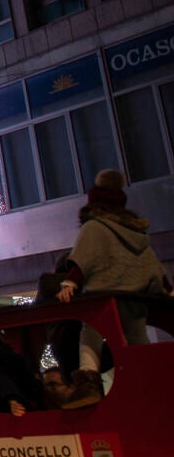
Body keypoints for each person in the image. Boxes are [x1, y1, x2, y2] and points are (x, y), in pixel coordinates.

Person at [56, 169, 173, 407]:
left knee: (90, 334)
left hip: (104, 297)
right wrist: (167, 290)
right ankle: (148, 382)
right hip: (134, 299)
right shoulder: (136, 234)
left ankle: (89, 381)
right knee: (136, 339)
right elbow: (152, 265)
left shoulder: (94, 227)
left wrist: (70, 283)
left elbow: (83, 258)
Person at [0, 332, 43, 416]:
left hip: (7, 410)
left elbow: (0, 378)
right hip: (28, 405)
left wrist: (12, 398)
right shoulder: (13, 354)